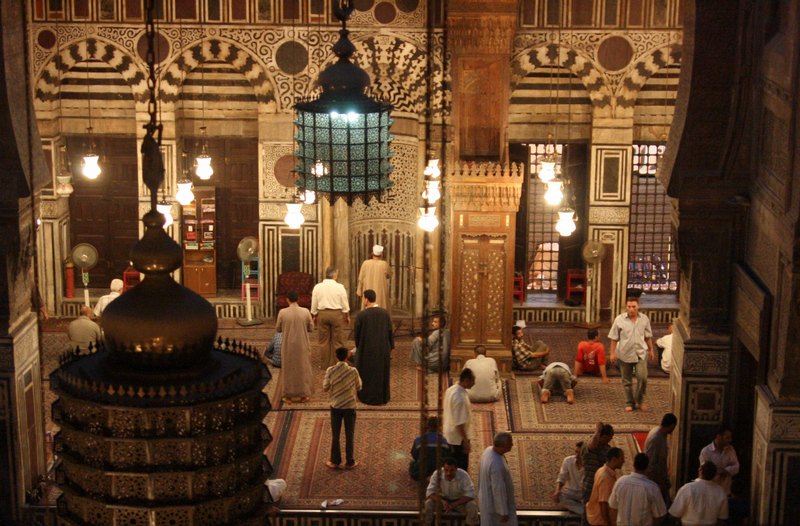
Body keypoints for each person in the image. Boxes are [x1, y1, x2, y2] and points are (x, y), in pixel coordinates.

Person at [608, 296, 655, 412]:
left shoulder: (644, 319)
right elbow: (614, 338)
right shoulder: (619, 320)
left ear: (638, 306)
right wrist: (612, 353)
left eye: (633, 306)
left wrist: (651, 350)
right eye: (629, 307)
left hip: (640, 353)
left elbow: (648, 336)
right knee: (627, 380)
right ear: (626, 307)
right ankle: (630, 402)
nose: (631, 309)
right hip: (625, 354)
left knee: (642, 377)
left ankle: (639, 400)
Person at [322, 347, 362, 469]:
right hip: (350, 406)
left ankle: (335, 461)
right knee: (349, 434)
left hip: (336, 406)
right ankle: (350, 461)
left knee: (336, 434)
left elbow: (325, 387)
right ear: (346, 357)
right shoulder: (353, 371)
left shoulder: (330, 370)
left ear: (336, 356)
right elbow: (359, 386)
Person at [353, 289, 394, 405]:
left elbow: (357, 335)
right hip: (382, 349)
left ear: (366, 299)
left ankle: (367, 397)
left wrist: (359, 347)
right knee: (381, 372)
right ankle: (382, 397)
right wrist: (390, 347)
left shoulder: (361, 315)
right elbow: (390, 331)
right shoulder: (385, 313)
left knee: (367, 373)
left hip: (367, 350)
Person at [276, 290, 315, 404]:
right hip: (302, 343)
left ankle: (288, 396)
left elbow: (278, 329)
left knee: (288, 369)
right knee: (303, 368)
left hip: (288, 345)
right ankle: (304, 395)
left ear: (287, 300)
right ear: (298, 299)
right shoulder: (305, 312)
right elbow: (311, 328)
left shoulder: (282, 312)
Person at [608, 453, 667, 526]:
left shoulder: (620, 482)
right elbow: (659, 515)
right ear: (647, 467)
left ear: (634, 465)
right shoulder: (652, 488)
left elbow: (612, 508)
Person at [310, 267, 350, 368]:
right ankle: (338, 364)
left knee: (324, 341)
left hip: (322, 314)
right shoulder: (340, 287)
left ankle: (325, 364)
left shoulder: (318, 287)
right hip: (336, 314)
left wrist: (314, 315)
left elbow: (314, 302)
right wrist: (347, 315)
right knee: (338, 340)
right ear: (334, 275)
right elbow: (344, 302)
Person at [669, 462, 729, 526]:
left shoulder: (688, 488)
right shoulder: (720, 492)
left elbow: (675, 514)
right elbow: (722, 518)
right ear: (715, 474)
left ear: (700, 471)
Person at [424, 457, 479, 526]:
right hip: (442, 501)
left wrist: (454, 504)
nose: (448, 473)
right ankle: (427, 523)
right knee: (428, 503)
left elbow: (471, 494)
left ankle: (471, 524)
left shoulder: (463, 475)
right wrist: (442, 501)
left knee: (472, 506)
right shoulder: (437, 474)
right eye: (446, 470)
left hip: (459, 502)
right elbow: (429, 492)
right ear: (443, 469)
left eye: (452, 470)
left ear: (456, 469)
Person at [478, 432, 517, 526]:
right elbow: (498, 490)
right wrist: (503, 512)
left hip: (485, 499)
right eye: (510, 443)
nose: (512, 444)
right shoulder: (496, 465)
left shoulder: (488, 450)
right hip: (495, 509)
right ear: (503, 445)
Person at [443, 368, 475, 471]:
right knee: (460, 466)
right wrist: (465, 441)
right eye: (472, 381)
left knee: (452, 462)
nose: (474, 383)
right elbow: (459, 423)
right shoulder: (459, 398)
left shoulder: (451, 389)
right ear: (466, 380)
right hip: (457, 438)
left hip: (449, 431)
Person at [585, 447, 625, 526]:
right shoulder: (606, 477)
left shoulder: (601, 470)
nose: (623, 461)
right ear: (614, 459)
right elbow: (603, 503)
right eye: (622, 458)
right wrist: (608, 522)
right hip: (600, 520)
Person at [645, 413, 678, 506]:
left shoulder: (660, 433)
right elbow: (651, 463)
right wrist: (657, 482)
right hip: (655, 478)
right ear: (672, 425)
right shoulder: (656, 438)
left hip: (660, 477)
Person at [699, 426, 739, 494]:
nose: (730, 440)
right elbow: (706, 471)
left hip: (725, 491)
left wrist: (725, 471)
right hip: (710, 491)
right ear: (719, 437)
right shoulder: (706, 451)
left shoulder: (730, 450)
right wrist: (718, 471)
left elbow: (736, 467)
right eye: (727, 438)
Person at [582, 422, 616, 502]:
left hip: (601, 484)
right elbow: (592, 445)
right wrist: (598, 430)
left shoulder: (607, 448)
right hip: (589, 484)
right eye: (610, 437)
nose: (611, 439)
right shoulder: (588, 444)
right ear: (604, 436)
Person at [410, 416, 451, 481]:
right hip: (439, 470)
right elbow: (447, 456)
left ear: (427, 426)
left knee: (412, 463)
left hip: (421, 471)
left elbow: (414, 455)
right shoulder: (444, 440)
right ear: (439, 427)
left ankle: (426, 477)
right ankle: (434, 476)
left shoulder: (418, 439)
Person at [551, 441, 585, 515]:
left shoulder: (590, 463)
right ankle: (584, 512)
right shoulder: (568, 460)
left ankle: (579, 510)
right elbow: (562, 477)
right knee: (559, 497)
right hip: (570, 492)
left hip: (584, 494)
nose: (577, 455)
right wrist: (557, 491)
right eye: (576, 452)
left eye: (580, 453)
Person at [356, 244, 391, 312]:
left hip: (368, 291)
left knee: (367, 310)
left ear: (372, 253)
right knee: (381, 310)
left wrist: (359, 291)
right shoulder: (384, 264)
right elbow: (389, 275)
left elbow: (360, 278)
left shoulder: (365, 263)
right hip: (380, 293)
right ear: (381, 255)